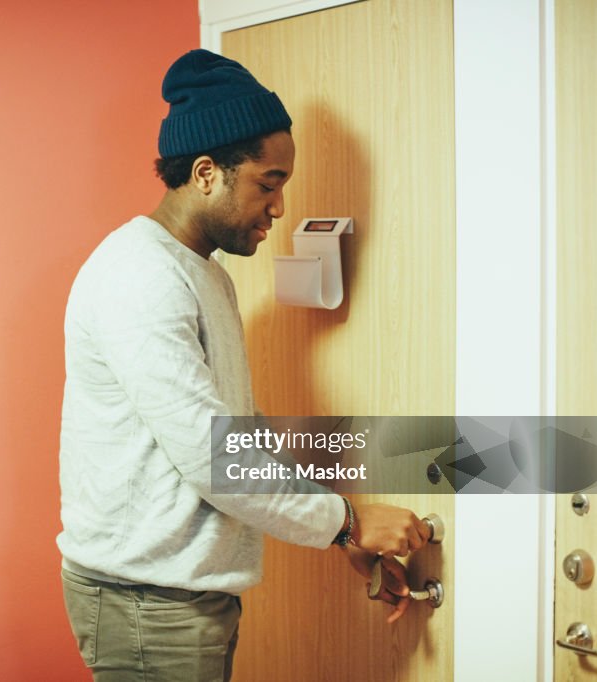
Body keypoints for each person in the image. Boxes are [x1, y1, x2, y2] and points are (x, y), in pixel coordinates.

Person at [57, 50, 430, 681]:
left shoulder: (205, 274)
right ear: (206, 173)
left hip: (181, 595)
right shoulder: (141, 277)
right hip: (148, 604)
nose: (280, 208)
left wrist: (340, 529)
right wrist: (348, 522)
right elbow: (215, 458)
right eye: (269, 182)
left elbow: (240, 433)